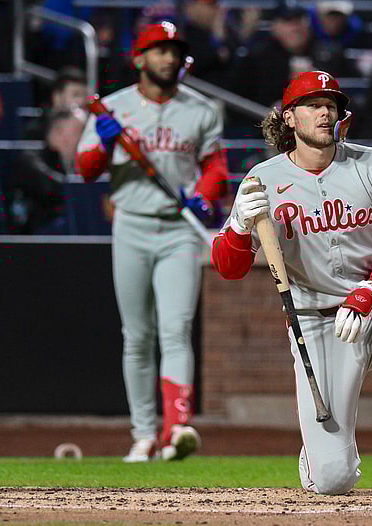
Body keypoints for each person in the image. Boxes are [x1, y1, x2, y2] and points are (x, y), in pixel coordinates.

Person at [210, 71, 372, 494]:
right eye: (313, 105)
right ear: (290, 118)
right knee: (333, 481)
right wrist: (238, 226)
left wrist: (371, 291)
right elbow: (228, 268)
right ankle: (322, 456)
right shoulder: (263, 179)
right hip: (316, 325)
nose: (325, 112)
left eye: (331, 104)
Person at [76, 22, 229, 462]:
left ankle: (175, 427)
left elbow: (215, 168)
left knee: (176, 329)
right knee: (138, 336)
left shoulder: (202, 109)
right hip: (132, 224)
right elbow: (85, 169)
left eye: (174, 51)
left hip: (179, 230)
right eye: (158, 50)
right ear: (139, 58)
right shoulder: (111, 109)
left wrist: (203, 196)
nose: (168, 58)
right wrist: (102, 147)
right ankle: (143, 434)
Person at [231, 0, 357, 108]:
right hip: (267, 124)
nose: (295, 28)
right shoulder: (259, 57)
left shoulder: (328, 52)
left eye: (299, 20)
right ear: (275, 27)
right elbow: (241, 97)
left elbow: (352, 90)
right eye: (288, 22)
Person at [13, 109, 86, 234]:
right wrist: (85, 192)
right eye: (79, 132)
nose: (84, 138)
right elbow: (56, 188)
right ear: (58, 133)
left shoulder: (75, 166)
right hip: (39, 235)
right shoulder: (31, 161)